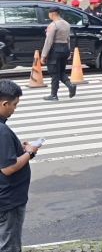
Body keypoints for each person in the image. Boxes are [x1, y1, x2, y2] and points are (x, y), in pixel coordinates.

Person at [0, 80, 39, 252]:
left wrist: (18, 149)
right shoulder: (2, 131)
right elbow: (8, 168)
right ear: (4, 103)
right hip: (9, 199)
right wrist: (29, 153)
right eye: (14, 105)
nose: (15, 109)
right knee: (10, 245)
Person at [41, 6, 77, 101]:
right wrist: (69, 51)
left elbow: (48, 41)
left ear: (52, 14)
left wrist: (43, 55)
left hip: (55, 50)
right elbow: (68, 39)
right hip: (65, 48)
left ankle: (54, 94)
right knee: (61, 71)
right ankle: (70, 85)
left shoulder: (53, 25)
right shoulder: (66, 24)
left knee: (54, 73)